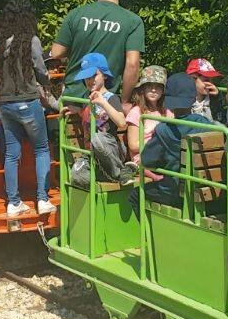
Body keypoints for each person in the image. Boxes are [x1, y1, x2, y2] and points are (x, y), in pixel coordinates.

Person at [0, 0, 57, 218]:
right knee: (41, 149)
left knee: (11, 154)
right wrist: (49, 80)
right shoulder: (31, 40)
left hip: (5, 104)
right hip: (28, 101)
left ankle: (13, 202)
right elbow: (40, 70)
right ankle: (43, 199)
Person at [50, 0, 145, 110]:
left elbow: (56, 52)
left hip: (73, 98)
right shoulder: (132, 21)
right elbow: (132, 64)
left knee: (71, 132)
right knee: (103, 134)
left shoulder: (76, 14)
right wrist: (124, 101)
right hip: (106, 100)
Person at [140, 72, 213, 207]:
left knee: (135, 195)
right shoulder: (207, 125)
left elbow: (147, 160)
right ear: (193, 98)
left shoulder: (163, 129)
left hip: (174, 192)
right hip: (206, 192)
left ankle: (148, 229)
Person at [66, 52, 136, 188]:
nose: (89, 80)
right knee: (76, 176)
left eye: (94, 76)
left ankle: (119, 172)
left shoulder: (111, 98)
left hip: (110, 151)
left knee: (97, 138)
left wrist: (103, 103)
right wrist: (76, 110)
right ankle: (113, 175)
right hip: (91, 157)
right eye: (86, 77)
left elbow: (122, 123)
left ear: (104, 75)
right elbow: (89, 117)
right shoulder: (87, 99)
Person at [125, 65, 168, 165]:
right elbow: (133, 145)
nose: (153, 90)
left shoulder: (167, 111)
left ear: (163, 89)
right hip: (143, 157)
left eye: (158, 86)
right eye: (149, 86)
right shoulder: (136, 112)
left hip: (165, 155)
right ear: (143, 88)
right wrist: (158, 143)